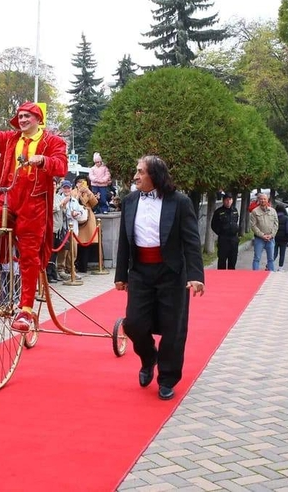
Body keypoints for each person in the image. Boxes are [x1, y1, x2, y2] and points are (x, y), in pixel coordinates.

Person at [0, 83, 68, 332]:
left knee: (29, 255)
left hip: (34, 204)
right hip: (6, 198)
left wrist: (43, 160)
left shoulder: (51, 141)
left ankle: (26, 310)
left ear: (37, 119)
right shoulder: (11, 140)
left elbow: (61, 166)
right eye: (19, 116)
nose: (21, 120)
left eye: (26, 116)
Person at [114, 155, 205, 401]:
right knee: (133, 323)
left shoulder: (180, 202)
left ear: (155, 175)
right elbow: (124, 240)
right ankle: (148, 358)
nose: (135, 176)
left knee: (173, 329)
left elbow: (191, 241)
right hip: (140, 272)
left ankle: (167, 378)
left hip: (172, 273)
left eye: (140, 172)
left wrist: (196, 275)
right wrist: (121, 275)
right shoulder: (130, 201)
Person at [249, 193, 278, 272]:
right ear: (258, 200)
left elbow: (276, 224)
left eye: (264, 199)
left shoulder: (273, 211)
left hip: (270, 239)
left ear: (267, 200)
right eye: (261, 199)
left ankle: (271, 273)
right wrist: (262, 235)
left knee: (271, 259)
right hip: (259, 239)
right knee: (257, 258)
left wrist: (271, 235)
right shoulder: (255, 212)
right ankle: (255, 275)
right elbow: (253, 226)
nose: (263, 200)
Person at [211, 193, 240, 270]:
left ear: (232, 200)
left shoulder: (235, 210)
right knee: (222, 261)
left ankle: (231, 279)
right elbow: (213, 225)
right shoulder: (219, 211)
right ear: (223, 201)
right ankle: (221, 279)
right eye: (227, 200)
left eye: (230, 200)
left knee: (233, 260)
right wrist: (221, 232)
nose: (228, 202)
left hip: (233, 239)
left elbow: (236, 221)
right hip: (224, 239)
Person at [274, 203, 288, 272]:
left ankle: (269, 265)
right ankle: (280, 267)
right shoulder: (286, 218)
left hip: (275, 237)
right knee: (282, 253)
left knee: (274, 252)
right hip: (284, 238)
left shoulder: (274, 217)